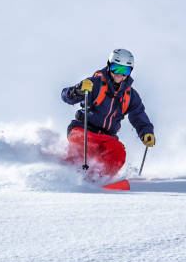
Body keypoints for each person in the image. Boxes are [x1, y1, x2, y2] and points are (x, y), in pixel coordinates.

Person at [61, 48, 155, 180]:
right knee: (82, 145)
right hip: (83, 129)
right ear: (109, 66)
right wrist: (78, 90)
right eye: (116, 68)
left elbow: (138, 114)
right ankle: (71, 175)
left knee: (118, 152)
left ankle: (100, 179)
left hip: (107, 137)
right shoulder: (95, 83)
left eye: (125, 71)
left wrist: (146, 132)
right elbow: (66, 96)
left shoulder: (130, 95)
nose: (119, 74)